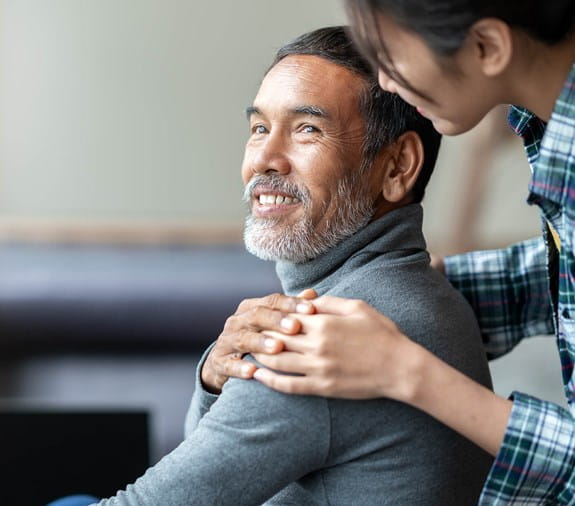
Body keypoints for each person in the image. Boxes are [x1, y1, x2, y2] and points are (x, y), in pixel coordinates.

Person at [53, 26, 493, 505]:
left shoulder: (325, 343)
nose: (263, 158)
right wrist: (213, 380)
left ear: (396, 166)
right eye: (259, 128)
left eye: (307, 129)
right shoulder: (427, 293)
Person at [201, 2, 575, 504]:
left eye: (393, 52)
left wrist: (407, 369)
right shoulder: (547, 129)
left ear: (488, 46)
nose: (386, 79)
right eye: (259, 128)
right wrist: (428, 295)